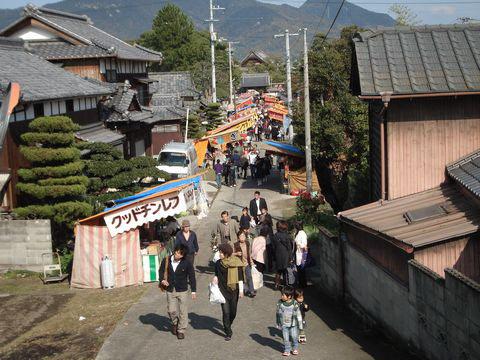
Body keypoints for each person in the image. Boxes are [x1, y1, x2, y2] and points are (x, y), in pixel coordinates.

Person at [159, 244, 196, 340]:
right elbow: (161, 271)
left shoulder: (187, 263)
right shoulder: (166, 260)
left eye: (180, 254)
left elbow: (192, 276)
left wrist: (193, 291)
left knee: (183, 311)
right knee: (171, 310)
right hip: (170, 289)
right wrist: (162, 280)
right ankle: (175, 322)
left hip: (183, 289)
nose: (177, 255)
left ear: (183, 255)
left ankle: (181, 330)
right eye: (177, 252)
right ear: (174, 250)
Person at [213, 243, 246, 341]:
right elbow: (216, 275)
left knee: (233, 312)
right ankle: (228, 331)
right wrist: (215, 279)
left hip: (234, 291)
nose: (220, 254)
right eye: (219, 252)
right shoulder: (218, 263)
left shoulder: (237, 262)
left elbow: (240, 278)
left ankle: (228, 323)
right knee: (226, 312)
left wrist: (241, 291)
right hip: (222, 291)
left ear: (227, 253)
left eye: (221, 252)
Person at [276, 286, 303, 356]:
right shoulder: (280, 303)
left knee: (294, 337)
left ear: (289, 296)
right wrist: (278, 322)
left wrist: (300, 325)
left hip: (293, 325)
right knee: (285, 338)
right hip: (284, 325)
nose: (281, 296)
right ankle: (287, 350)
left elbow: (298, 314)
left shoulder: (295, 303)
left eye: (283, 295)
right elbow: (278, 313)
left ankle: (295, 348)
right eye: (281, 294)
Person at [234, 231, 255, 297]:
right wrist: (236, 254)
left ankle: (251, 291)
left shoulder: (247, 243)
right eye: (241, 236)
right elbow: (230, 254)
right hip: (239, 264)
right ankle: (241, 291)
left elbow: (249, 253)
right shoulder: (235, 244)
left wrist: (251, 262)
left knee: (249, 277)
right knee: (240, 278)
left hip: (246, 263)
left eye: (243, 236)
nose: (242, 237)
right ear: (238, 238)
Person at [272, 220, 293, 289]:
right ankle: (285, 285)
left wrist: (274, 257)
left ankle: (276, 285)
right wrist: (291, 258)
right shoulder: (287, 236)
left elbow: (273, 246)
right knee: (285, 271)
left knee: (278, 271)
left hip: (277, 254)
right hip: (286, 255)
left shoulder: (275, 235)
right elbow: (289, 248)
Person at [294, 221, 308, 288]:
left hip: (301, 254)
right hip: (298, 253)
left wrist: (298, 244)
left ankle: (303, 284)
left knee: (301, 270)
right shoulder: (298, 232)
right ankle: (301, 283)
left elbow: (304, 244)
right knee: (299, 269)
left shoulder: (302, 233)